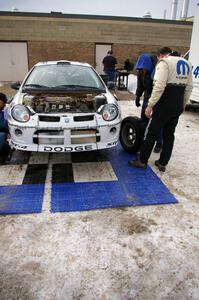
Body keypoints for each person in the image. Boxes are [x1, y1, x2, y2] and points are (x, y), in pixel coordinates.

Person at [128, 47, 193, 172]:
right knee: (169, 134)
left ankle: (142, 161)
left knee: (152, 132)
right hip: (178, 102)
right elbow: (189, 87)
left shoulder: (164, 62)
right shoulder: (187, 63)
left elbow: (159, 86)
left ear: (161, 56)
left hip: (165, 102)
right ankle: (162, 163)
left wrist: (150, 105)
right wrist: (183, 103)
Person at [135, 52, 162, 152]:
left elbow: (159, 88)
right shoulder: (141, 72)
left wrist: (153, 103)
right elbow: (140, 85)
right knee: (143, 120)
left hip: (157, 98)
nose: (143, 70)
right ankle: (141, 140)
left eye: (144, 68)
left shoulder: (158, 71)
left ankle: (159, 143)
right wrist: (138, 97)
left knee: (156, 122)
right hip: (147, 96)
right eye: (141, 69)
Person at [0, 92, 11, 163]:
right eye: (3, 103)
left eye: (4, 103)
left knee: (7, 149)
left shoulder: (5, 110)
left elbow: (7, 126)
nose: (4, 105)